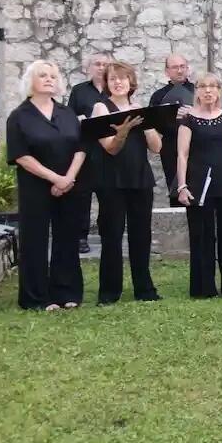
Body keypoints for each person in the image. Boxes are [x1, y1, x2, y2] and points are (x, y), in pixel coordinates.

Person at [6, 60, 86, 311]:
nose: (49, 79)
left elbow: (81, 148)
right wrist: (54, 179)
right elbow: (21, 156)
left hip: (69, 185)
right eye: (43, 75)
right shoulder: (19, 116)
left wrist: (68, 178)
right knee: (35, 239)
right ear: (31, 81)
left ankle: (67, 291)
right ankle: (37, 297)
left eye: (53, 76)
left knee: (68, 237)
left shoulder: (67, 113)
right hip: (35, 186)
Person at [90, 62, 163, 304]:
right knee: (112, 235)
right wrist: (123, 131)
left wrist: (147, 122)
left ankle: (144, 289)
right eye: (113, 79)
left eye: (122, 78)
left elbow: (157, 147)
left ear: (131, 82)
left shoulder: (139, 107)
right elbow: (110, 148)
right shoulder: (101, 108)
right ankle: (109, 292)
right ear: (106, 83)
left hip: (140, 178)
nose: (118, 82)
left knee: (141, 235)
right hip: (112, 180)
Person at [176, 72, 222, 298]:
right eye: (203, 86)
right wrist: (182, 186)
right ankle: (203, 288)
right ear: (197, 91)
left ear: (219, 91)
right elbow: (182, 154)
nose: (208, 91)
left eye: (213, 86)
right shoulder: (188, 119)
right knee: (202, 235)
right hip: (199, 183)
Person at [66, 52, 111, 254]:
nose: (101, 68)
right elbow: (68, 117)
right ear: (89, 68)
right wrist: (79, 120)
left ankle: (107, 234)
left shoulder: (115, 89)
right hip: (85, 150)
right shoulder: (79, 91)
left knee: (108, 196)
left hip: (108, 151)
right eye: (97, 64)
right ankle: (80, 237)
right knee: (82, 196)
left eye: (105, 64)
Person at [148, 55, 194, 207]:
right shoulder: (158, 96)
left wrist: (193, 112)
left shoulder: (199, 91)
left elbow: (213, 114)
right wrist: (170, 115)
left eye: (182, 66)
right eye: (175, 67)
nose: (179, 71)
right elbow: (152, 124)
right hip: (170, 146)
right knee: (175, 189)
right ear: (167, 71)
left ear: (187, 68)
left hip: (197, 145)